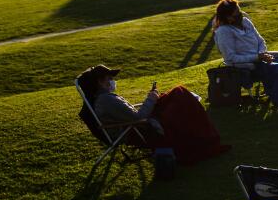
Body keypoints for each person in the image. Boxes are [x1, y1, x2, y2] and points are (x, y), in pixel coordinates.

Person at [78, 64, 229, 165]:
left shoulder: (106, 98)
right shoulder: (106, 100)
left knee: (178, 95)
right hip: (138, 130)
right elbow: (138, 118)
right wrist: (152, 98)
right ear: (99, 82)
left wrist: (153, 98)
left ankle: (201, 128)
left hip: (138, 124)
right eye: (109, 79)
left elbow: (134, 114)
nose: (113, 81)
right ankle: (205, 136)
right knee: (179, 96)